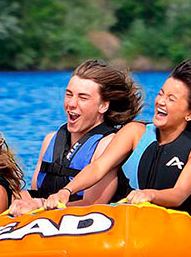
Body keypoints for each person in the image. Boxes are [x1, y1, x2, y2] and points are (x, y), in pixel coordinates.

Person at [44, 60, 191, 218]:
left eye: (171, 99)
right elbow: (99, 167)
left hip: (171, 230)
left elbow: (178, 194)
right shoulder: (135, 132)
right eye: (161, 94)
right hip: (127, 226)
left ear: (190, 113)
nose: (161, 102)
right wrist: (66, 192)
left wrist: (150, 195)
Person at [9, 59, 143, 214]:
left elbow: (93, 203)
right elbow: (37, 191)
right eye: (69, 94)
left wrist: (41, 206)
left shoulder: (108, 144)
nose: (71, 103)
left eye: (83, 97)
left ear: (103, 105)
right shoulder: (50, 140)